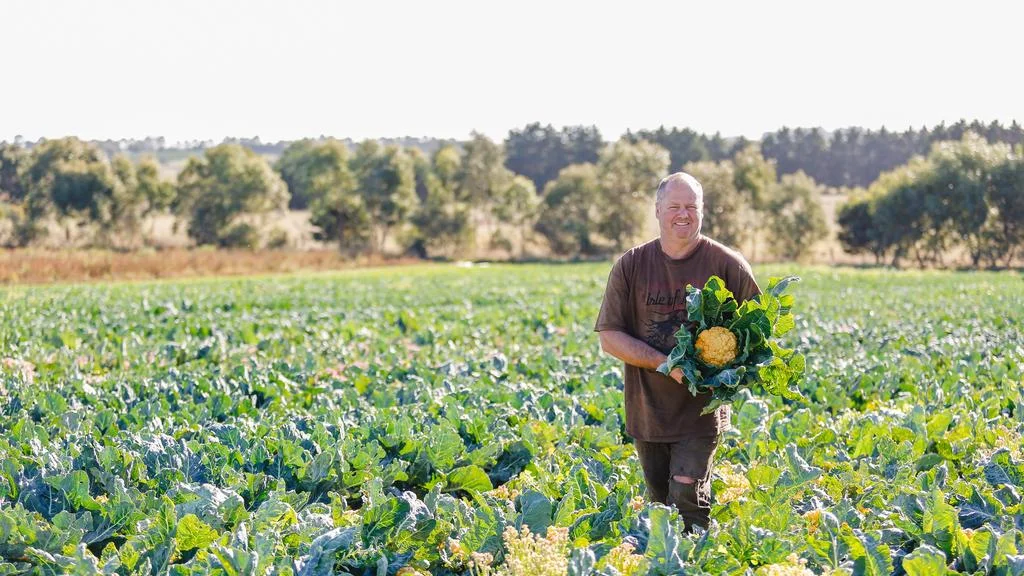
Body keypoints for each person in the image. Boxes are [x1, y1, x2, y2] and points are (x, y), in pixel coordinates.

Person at [594, 172, 761, 531]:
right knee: (662, 508)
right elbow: (609, 336)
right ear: (657, 210)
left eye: (691, 206)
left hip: (701, 410)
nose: (683, 214)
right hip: (648, 410)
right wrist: (665, 363)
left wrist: (729, 370)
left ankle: (698, 561)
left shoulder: (727, 264)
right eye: (674, 206)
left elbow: (759, 332)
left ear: (703, 211)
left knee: (686, 494)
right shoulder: (632, 264)